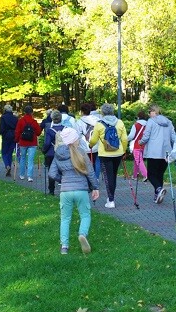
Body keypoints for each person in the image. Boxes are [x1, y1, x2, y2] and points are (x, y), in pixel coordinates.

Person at [48, 127, 100, 255]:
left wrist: (63, 179)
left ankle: (64, 247)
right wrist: (95, 187)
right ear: (75, 140)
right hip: (81, 190)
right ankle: (82, 234)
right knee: (85, 215)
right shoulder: (81, 152)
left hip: (65, 191)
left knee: (65, 218)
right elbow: (90, 172)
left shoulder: (58, 154)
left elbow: (52, 173)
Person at [89, 103, 129, 208]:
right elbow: (125, 139)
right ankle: (111, 197)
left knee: (107, 177)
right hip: (118, 153)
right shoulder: (120, 122)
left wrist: (90, 145)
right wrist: (124, 150)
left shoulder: (99, 124)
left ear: (102, 112)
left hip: (105, 154)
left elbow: (93, 139)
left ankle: (111, 200)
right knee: (113, 176)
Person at [139, 104, 176, 204]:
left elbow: (146, 136)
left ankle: (158, 189)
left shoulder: (151, 121)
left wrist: (140, 142)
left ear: (153, 112)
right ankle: (158, 195)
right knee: (160, 174)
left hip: (153, 152)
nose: (149, 114)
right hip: (166, 152)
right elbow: (173, 138)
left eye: (149, 112)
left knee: (151, 174)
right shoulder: (169, 122)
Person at [14, 105, 42, 182]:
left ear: (24, 112)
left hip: (23, 142)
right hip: (32, 143)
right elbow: (39, 132)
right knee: (30, 160)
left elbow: (17, 131)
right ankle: (30, 176)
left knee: (22, 158)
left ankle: (22, 175)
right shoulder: (34, 122)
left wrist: (16, 140)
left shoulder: (21, 121)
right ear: (32, 112)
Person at [43, 111, 65, 195]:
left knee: (51, 171)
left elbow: (47, 143)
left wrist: (44, 150)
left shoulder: (50, 131)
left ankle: (51, 190)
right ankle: (65, 188)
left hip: (52, 153)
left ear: (52, 119)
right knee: (64, 171)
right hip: (63, 152)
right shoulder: (65, 128)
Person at [78, 102, 102, 179]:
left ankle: (88, 180)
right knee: (95, 162)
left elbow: (77, 135)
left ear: (82, 111)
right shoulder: (98, 120)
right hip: (96, 145)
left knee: (86, 164)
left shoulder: (79, 122)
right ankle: (95, 179)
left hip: (84, 146)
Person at [0, 104, 18, 176]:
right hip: (13, 136)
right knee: (10, 152)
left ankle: (7, 165)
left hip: (6, 136)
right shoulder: (15, 118)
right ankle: (9, 166)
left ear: (5, 110)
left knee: (4, 152)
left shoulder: (3, 117)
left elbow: (2, 128)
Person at [128, 110, 148, 181]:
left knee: (139, 160)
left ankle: (146, 175)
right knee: (137, 160)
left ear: (138, 117)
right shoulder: (148, 125)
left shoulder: (136, 125)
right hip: (145, 145)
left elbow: (131, 136)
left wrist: (126, 139)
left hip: (137, 145)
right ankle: (135, 175)